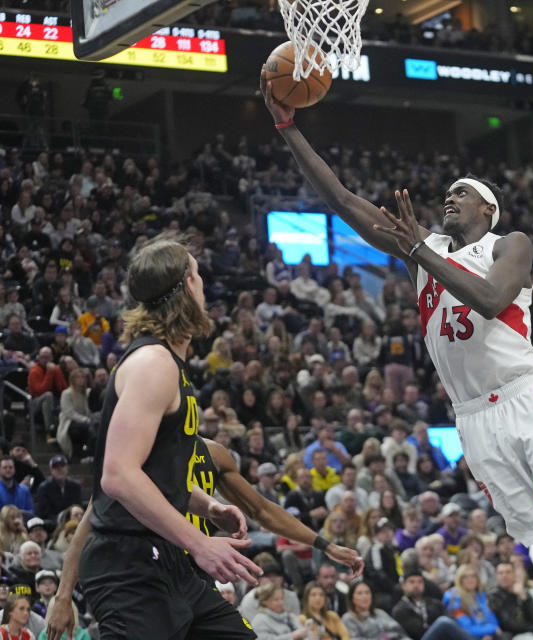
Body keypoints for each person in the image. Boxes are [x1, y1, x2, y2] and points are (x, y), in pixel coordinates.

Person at [261, 73, 533, 640]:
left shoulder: (510, 244)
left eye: (462, 192)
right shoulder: (420, 247)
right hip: (475, 419)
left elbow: (488, 299)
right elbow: (340, 199)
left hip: (527, 401)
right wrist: (287, 125)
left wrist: (416, 251)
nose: (449, 197)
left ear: (488, 209)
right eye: (447, 193)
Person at [72, 235, 264, 639]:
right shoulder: (153, 364)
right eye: (197, 276)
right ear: (184, 289)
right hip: (129, 566)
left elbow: (154, 471)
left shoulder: (168, 362)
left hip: (166, 560)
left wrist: (207, 506)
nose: (204, 285)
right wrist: (201, 542)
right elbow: (119, 475)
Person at [47, 431, 363, 639]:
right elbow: (88, 526)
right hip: (147, 574)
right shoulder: (138, 456)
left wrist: (324, 544)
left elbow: (262, 510)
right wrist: (63, 597)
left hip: (195, 575)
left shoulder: (211, 453)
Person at [487, 561, 533, 639]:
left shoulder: (522, 591)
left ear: (514, 574)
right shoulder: (494, 596)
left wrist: (524, 598)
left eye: (508, 572)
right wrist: (532, 628)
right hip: (514, 636)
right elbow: (509, 624)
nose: (504, 576)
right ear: (497, 576)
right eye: (500, 573)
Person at [393, 571, 472, 640]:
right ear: (404, 586)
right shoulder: (400, 610)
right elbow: (417, 632)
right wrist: (438, 627)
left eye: (420, 582)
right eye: (412, 582)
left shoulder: (434, 603)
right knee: (443, 622)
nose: (416, 585)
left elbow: (452, 620)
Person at [341, 581, 411, 640]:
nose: (364, 596)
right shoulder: (348, 618)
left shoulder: (380, 613)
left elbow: (400, 631)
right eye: (360, 593)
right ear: (352, 598)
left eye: (367, 592)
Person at [33, 457, 81, 522]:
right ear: (51, 470)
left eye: (62, 466)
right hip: (52, 524)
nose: (59, 469)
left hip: (73, 522)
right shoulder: (44, 488)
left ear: (67, 468)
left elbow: (78, 506)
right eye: (56, 467)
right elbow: (44, 513)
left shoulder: (75, 487)